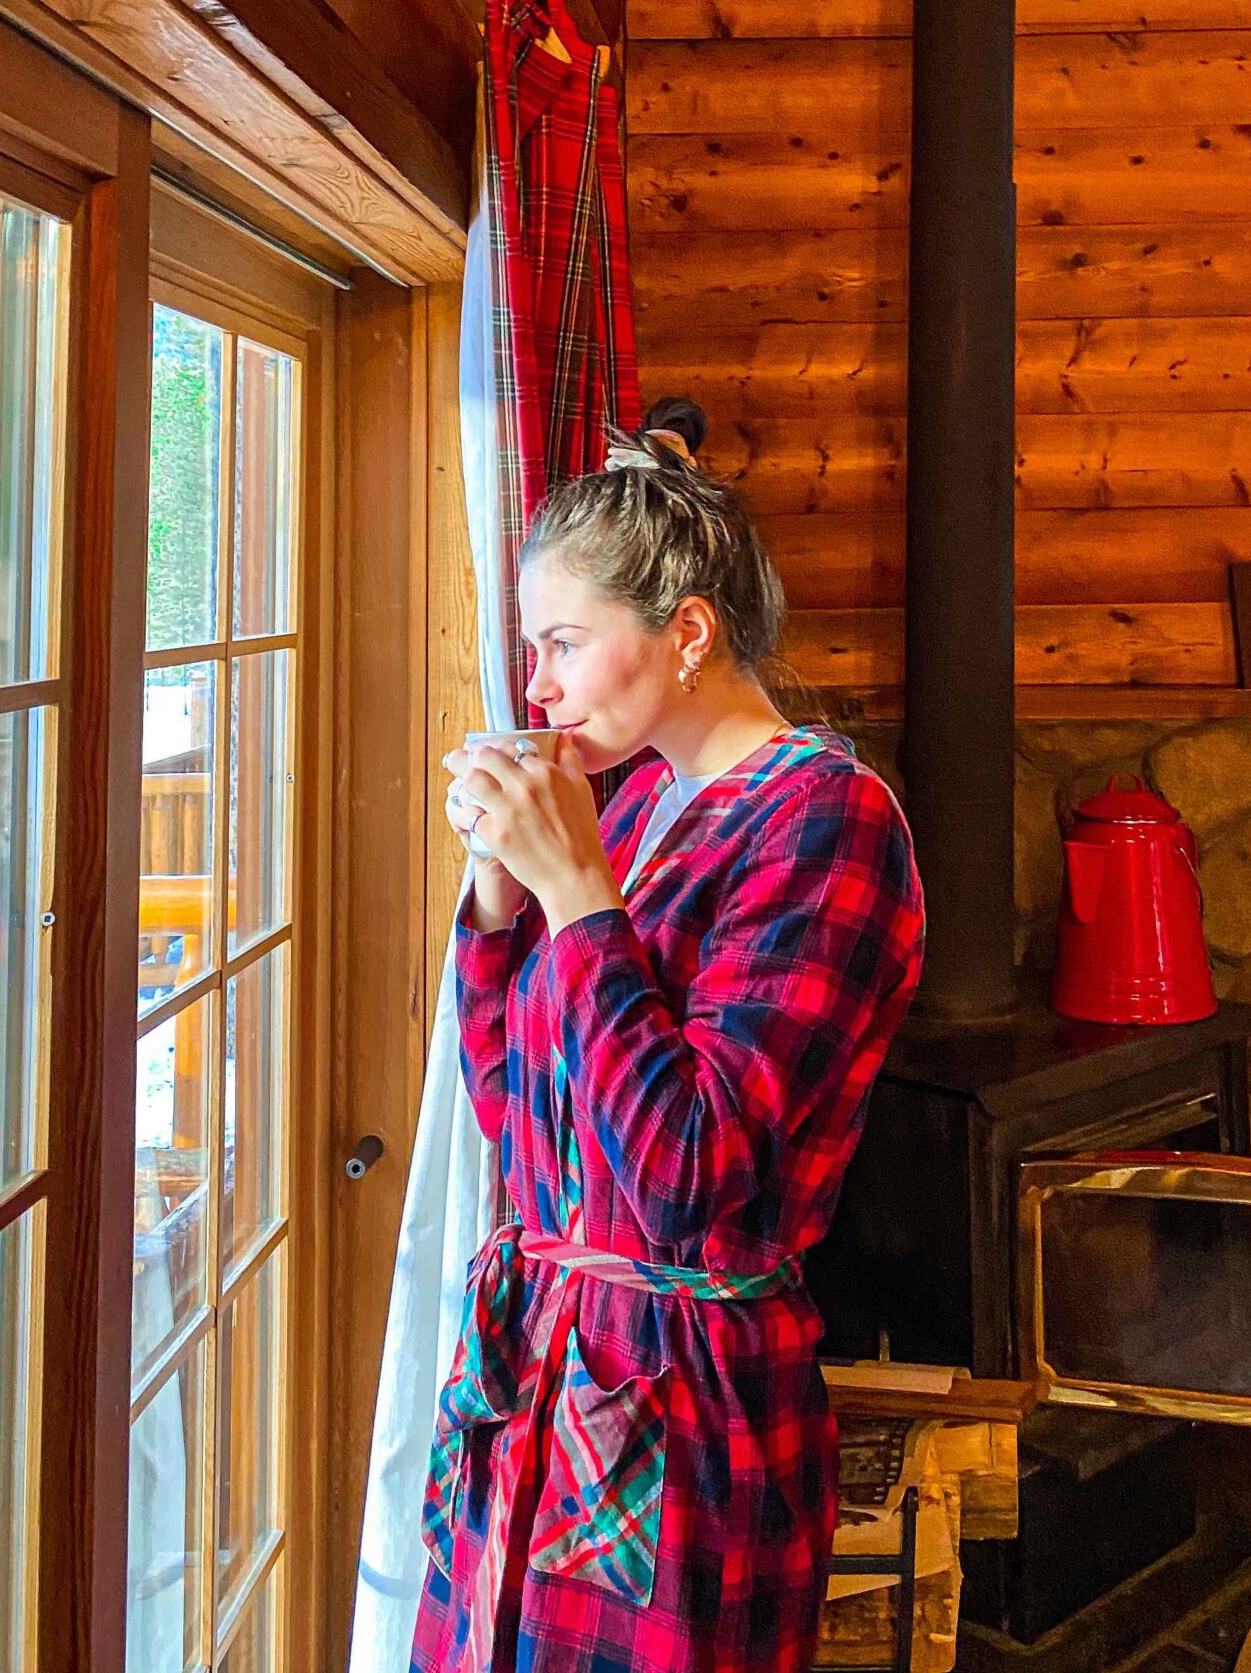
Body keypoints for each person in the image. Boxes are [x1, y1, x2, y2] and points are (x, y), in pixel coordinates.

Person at [408, 425, 925, 1673]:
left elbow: (691, 1179)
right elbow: (513, 1112)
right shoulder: (630, 800)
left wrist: (579, 897)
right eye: (534, 647)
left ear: (688, 633)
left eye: (565, 642)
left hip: (684, 1408)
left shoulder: (828, 821)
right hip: (530, 1373)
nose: (534, 685)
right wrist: (496, 897)